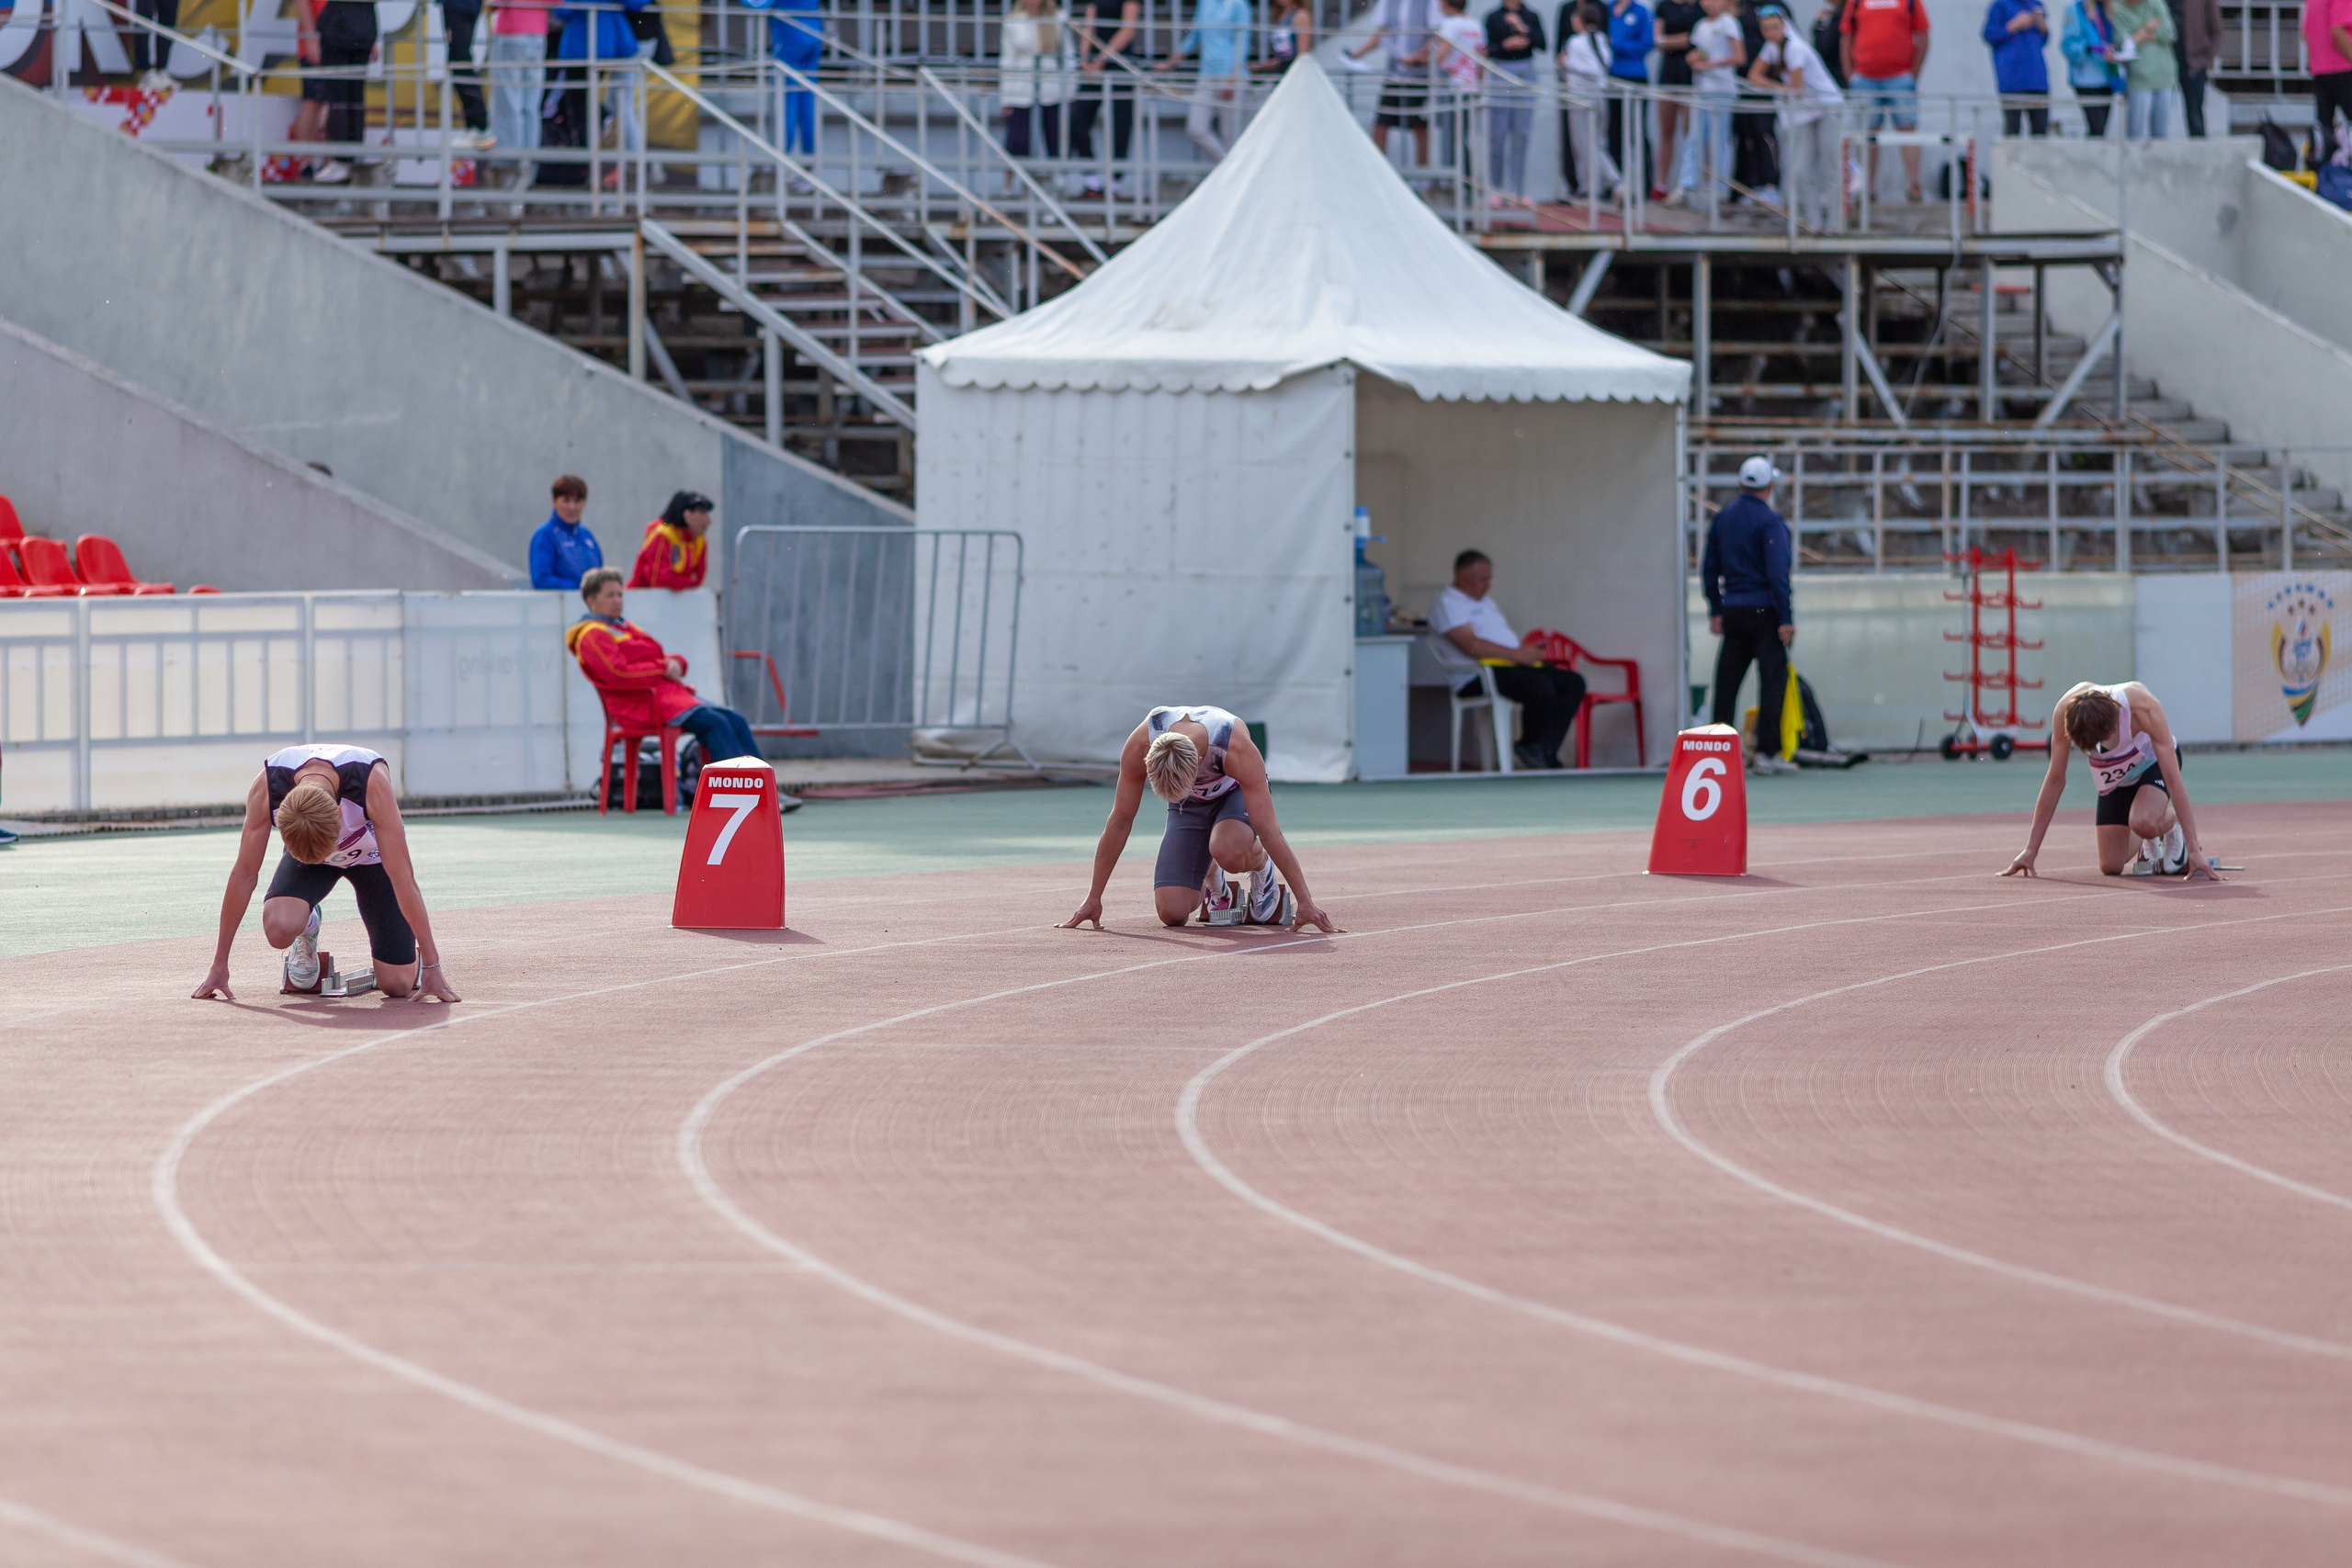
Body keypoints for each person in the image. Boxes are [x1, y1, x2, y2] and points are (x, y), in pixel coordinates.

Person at [191, 743, 460, 1004]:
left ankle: (410, 958)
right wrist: (219, 964)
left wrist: (433, 964)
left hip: (372, 858)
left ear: (342, 812)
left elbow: (404, 879)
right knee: (278, 929)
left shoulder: (371, 784)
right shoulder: (268, 787)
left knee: (397, 986)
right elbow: (244, 874)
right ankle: (307, 927)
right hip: (309, 847)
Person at [1059, 705, 1337, 932]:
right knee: (1172, 912)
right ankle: (1215, 879)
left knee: (1226, 849)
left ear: (1200, 760)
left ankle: (1261, 865)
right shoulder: (1141, 743)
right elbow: (1120, 820)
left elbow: (1268, 829)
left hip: (1234, 794)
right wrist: (1094, 897)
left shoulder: (1234, 745)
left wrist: (1306, 901)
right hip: (1188, 805)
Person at [567, 569, 802, 809]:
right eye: (610, 595)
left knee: (735, 720)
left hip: (667, 697)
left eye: (620, 594)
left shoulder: (623, 626)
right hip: (640, 705)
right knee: (715, 723)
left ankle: (766, 790)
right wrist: (663, 668)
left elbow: (656, 655)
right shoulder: (592, 635)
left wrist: (676, 662)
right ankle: (744, 797)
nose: (617, 600)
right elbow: (619, 674)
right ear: (591, 600)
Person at [2002, 682, 2221, 881]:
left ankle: (2169, 823)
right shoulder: (2063, 712)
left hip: (2152, 763)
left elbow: (2173, 780)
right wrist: (2031, 849)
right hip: (2116, 776)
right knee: (2111, 866)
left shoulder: (2143, 708)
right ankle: (2148, 836)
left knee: (2143, 822)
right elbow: (2055, 780)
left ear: (2116, 724)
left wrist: (2194, 849)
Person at [1428, 550, 1589, 772]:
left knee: (1572, 682)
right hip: (1476, 675)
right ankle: (1531, 746)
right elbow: (1471, 646)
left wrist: (1526, 654)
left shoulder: (1485, 602)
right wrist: (1518, 655)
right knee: (1539, 686)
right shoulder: (1448, 603)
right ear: (1464, 578)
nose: (1488, 585)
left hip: (1509, 666)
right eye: (1483, 579)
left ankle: (1542, 750)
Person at [1702, 456, 1797, 775]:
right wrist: (1785, 617)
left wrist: (1716, 608)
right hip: (1766, 612)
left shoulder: (1723, 519)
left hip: (1734, 611)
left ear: (1742, 484)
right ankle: (1768, 753)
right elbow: (1778, 573)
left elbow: (1709, 567)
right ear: (1769, 487)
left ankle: (1719, 754)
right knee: (1772, 682)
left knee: (1726, 684)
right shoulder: (1770, 523)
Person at [1750, 4, 1842, 228]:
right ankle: (1813, 224)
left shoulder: (1795, 49)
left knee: (1830, 167)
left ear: (1784, 26)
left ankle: (1834, 226)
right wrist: (1776, 86)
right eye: (1766, 28)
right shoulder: (1772, 47)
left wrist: (1773, 87)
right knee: (1802, 170)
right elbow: (1754, 76)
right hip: (1807, 112)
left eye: (1774, 27)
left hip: (1828, 109)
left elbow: (1796, 90)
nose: (1770, 33)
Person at [1841, 0, 1928, 201]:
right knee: (1868, 133)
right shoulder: (1856, 2)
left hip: (1900, 77)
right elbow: (1846, 35)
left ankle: (1913, 184)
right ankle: (1868, 188)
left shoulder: (1910, 2)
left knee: (1907, 129)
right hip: (1864, 77)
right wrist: (1850, 74)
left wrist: (1913, 74)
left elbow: (1922, 35)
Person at [297, 0, 379, 185]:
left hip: (350, 31)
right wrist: (310, 36)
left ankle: (338, 161)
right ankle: (308, 163)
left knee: (346, 100)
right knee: (315, 101)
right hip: (326, 34)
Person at [1161, 0, 1252, 162]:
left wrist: (1233, 79)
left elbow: (1242, 41)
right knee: (1196, 128)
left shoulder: (1239, 5)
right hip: (1207, 75)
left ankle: (1232, 174)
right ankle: (1228, 167)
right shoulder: (1205, 3)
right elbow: (1194, 36)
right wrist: (1170, 63)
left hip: (1231, 76)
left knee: (1230, 135)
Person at [1350, 0, 1439, 164]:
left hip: (1418, 74)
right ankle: (1378, 170)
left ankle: (1424, 176)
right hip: (1394, 74)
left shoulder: (1428, 3)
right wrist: (1357, 54)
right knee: (1381, 123)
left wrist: (1417, 57)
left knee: (1418, 126)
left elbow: (1435, 35)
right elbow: (1381, 34)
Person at [1070, 0, 1143, 195]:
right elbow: (1089, 26)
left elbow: (1128, 30)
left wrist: (1101, 59)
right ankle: (1091, 181)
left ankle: (1114, 185)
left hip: (1120, 64)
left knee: (1120, 124)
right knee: (1077, 119)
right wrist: (1085, 58)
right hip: (1094, 65)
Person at [1483, 0, 1547, 205]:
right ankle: (1496, 189)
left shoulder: (1531, 16)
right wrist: (1505, 45)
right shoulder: (1493, 17)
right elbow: (1487, 49)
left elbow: (1542, 44)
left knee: (1521, 134)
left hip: (1525, 72)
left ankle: (1516, 190)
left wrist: (1522, 28)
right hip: (1501, 71)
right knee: (1497, 135)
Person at [1681, 0, 1745, 202]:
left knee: (1718, 140)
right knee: (1695, 137)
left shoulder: (1728, 22)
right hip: (1702, 89)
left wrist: (1709, 65)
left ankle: (1719, 187)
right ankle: (1689, 183)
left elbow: (1739, 57)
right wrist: (1694, 58)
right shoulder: (1700, 25)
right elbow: (1701, 52)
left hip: (1721, 90)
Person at [1559, 1, 1623, 199]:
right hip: (1598, 97)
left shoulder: (1576, 42)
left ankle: (1609, 181)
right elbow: (1604, 65)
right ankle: (1596, 184)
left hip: (1582, 98)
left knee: (1585, 144)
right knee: (1596, 142)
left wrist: (1566, 62)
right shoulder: (1601, 39)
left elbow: (1592, 70)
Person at [1002, 0, 1075, 164]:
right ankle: (1017, 183)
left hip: (1052, 87)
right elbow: (1007, 59)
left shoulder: (1058, 18)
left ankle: (1057, 179)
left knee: (1055, 137)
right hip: (1020, 87)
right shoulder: (1013, 20)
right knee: (1019, 140)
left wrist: (1070, 92)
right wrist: (1005, 97)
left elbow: (1068, 57)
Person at [489, 0, 551, 182]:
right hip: (538, 32)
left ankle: (508, 167)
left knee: (508, 104)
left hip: (511, 29)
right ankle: (528, 169)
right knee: (531, 107)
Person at [764, 0, 827, 160]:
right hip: (813, 33)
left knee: (787, 101)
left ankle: (782, 156)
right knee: (808, 100)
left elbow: (756, 3)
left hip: (790, 35)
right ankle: (810, 162)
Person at [1431, 0, 1488, 173]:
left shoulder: (1449, 24)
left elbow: (1441, 54)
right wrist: (1479, 86)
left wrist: (1420, 61)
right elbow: (1482, 59)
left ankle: (1455, 181)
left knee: (1451, 138)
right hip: (1470, 86)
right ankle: (1466, 180)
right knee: (1464, 137)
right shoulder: (1476, 25)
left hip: (1453, 86)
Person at [1654, 0, 1702, 203]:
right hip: (1669, 74)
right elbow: (1657, 40)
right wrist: (1681, 41)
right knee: (1666, 130)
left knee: (1690, 132)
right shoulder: (1664, 6)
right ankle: (1661, 183)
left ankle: (1686, 184)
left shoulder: (1699, 7)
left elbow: (1699, 42)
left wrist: (1670, 41)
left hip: (1691, 76)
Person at [1605, 0, 1655, 194]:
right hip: (1611, 77)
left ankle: (1644, 186)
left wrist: (1618, 45)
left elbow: (1646, 43)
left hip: (1635, 77)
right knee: (1613, 132)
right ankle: (1616, 185)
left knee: (1637, 131)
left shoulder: (1641, 12)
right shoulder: (1608, 9)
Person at [2107, 0, 2176, 139]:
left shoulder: (2156, 3)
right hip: (2139, 79)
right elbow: (2123, 42)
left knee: (2161, 134)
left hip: (2164, 76)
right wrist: (2146, 29)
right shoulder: (2118, 8)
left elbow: (2169, 33)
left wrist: (2138, 36)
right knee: (2135, 134)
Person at [1984, 0, 2051, 135]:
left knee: (2041, 131)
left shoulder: (2036, 5)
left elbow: (2043, 40)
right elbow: (1989, 35)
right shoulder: (2000, 6)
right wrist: (2013, 26)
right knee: (2012, 129)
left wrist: (2043, 27)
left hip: (2037, 79)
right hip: (2012, 79)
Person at [529, 474, 605, 591]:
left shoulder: (587, 536)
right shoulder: (545, 535)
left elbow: (600, 575)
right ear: (554, 501)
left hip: (590, 604)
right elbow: (541, 579)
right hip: (559, 606)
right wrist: (582, 588)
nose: (572, 507)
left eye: (577, 501)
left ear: (584, 502)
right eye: (566, 500)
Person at [2061, 0, 2123, 136]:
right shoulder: (2075, 9)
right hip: (2086, 79)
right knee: (2097, 127)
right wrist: (2093, 49)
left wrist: (2116, 51)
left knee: (2100, 132)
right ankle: (2089, 156)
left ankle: (2094, 156)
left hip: (2107, 78)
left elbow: (2116, 38)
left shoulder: (2109, 9)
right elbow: (2068, 46)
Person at [628, 491, 713, 591]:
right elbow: (659, 580)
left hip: (672, 602)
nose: (708, 521)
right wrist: (688, 581)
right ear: (687, 515)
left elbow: (698, 579)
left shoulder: (699, 540)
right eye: (702, 513)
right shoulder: (663, 535)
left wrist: (679, 581)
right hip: (642, 601)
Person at [440, 0, 495, 151]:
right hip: (466, 6)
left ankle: (479, 127)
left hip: (460, 5)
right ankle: (475, 127)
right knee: (460, 61)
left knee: (459, 62)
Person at [2165, 0, 2222, 136]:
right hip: (2166, 61)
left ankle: (2200, 152)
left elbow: (2216, 29)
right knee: (2160, 112)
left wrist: (2206, 59)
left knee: (2195, 113)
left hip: (2194, 63)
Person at [2310, 0, 2352, 164]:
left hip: (2320, 69)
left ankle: (2326, 178)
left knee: (2324, 131)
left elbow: (2305, 32)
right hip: (2342, 67)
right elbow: (2337, 30)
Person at [1255, 0, 1315, 73]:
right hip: (1281, 66)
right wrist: (1261, 66)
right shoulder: (1281, 15)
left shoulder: (1300, 16)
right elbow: (1281, 56)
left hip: (1292, 68)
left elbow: (1302, 54)